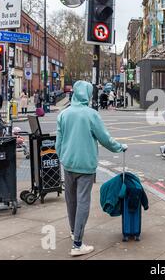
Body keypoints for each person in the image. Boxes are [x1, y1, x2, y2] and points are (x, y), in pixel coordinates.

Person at [56, 81, 127, 257]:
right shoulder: (91, 114)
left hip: (68, 164)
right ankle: (77, 244)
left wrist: (63, 157)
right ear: (87, 94)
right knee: (83, 202)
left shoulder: (63, 114)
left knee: (71, 200)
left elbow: (58, 142)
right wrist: (120, 147)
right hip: (86, 165)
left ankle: (74, 231)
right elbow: (105, 139)